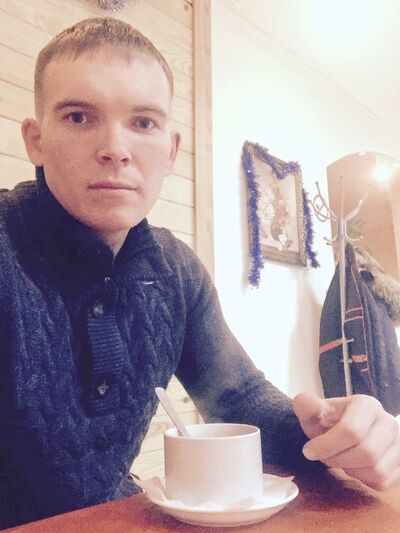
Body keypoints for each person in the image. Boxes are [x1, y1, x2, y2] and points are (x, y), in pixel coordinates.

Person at [0, 16, 399, 530]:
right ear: (35, 140)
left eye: (143, 122)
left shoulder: (177, 272)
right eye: (79, 117)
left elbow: (237, 397)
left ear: (170, 149)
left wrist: (328, 434)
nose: (115, 148)